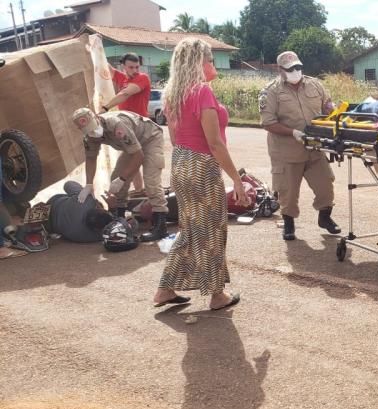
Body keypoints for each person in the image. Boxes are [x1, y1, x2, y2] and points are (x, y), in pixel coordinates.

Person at [152, 38, 249, 310]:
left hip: (181, 162)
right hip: (202, 166)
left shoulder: (172, 94)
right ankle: (217, 294)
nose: (213, 64)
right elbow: (214, 142)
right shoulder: (202, 91)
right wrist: (237, 180)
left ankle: (165, 289)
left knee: (191, 229)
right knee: (212, 230)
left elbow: (173, 136)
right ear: (198, 62)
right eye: (209, 59)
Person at [259, 51, 340, 241]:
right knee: (288, 192)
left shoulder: (314, 84)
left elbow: (327, 104)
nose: (296, 71)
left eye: (298, 67)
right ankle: (288, 224)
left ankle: (325, 217)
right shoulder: (270, 91)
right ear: (280, 70)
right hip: (286, 151)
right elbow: (267, 122)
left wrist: (332, 109)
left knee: (325, 186)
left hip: (314, 148)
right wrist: (293, 132)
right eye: (290, 69)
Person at [71, 108, 169, 242]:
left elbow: (139, 156)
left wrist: (123, 179)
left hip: (149, 138)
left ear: (96, 118)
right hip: (132, 147)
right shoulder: (89, 136)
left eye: (93, 128)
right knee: (115, 178)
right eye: (89, 130)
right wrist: (89, 184)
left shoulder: (116, 125)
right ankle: (120, 220)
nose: (94, 133)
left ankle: (160, 226)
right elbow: (90, 158)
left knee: (151, 181)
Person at [103, 53, 152, 196]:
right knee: (132, 159)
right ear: (123, 66)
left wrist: (105, 108)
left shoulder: (142, 78)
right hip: (125, 126)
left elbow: (125, 94)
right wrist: (94, 44)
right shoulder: (121, 77)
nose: (134, 70)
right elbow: (105, 66)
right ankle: (139, 191)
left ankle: (143, 192)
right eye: (131, 67)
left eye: (137, 67)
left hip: (140, 126)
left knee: (140, 160)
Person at [46, 181, 114, 243]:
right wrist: (112, 209)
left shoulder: (85, 200)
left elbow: (68, 184)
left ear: (98, 207)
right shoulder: (87, 237)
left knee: (71, 196)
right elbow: (116, 227)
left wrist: (84, 190)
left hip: (53, 203)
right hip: (49, 226)